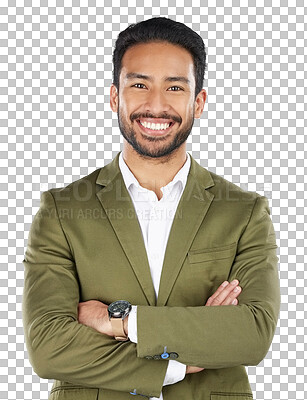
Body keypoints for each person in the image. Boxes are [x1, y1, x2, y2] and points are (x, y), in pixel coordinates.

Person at [22, 17, 280, 400]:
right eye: (139, 84)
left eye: (174, 87)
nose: (156, 105)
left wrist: (121, 322)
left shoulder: (243, 212)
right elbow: (48, 347)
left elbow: (252, 335)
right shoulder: (62, 210)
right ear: (115, 97)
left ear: (199, 101)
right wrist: (179, 361)